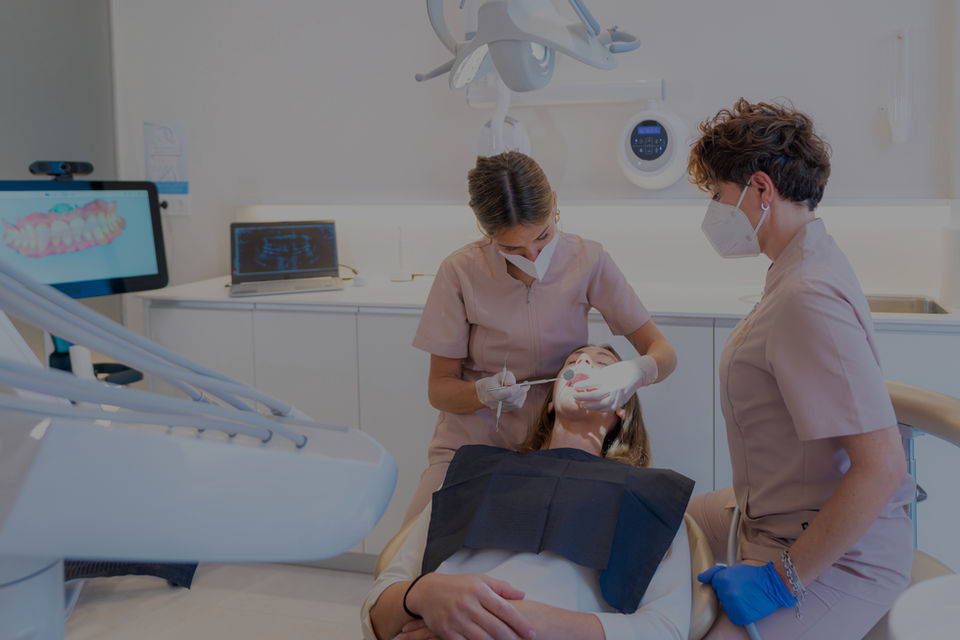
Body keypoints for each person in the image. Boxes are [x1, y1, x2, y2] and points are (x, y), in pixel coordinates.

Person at [685, 99, 915, 639]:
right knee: (646, 519)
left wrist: (779, 582)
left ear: (760, 189)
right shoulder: (795, 266)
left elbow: (882, 467)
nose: (715, 211)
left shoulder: (806, 293)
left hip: (838, 553)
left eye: (718, 195)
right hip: (767, 509)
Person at [406, 151, 677, 523]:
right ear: (486, 232)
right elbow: (439, 389)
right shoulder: (460, 272)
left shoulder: (588, 260)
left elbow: (662, 352)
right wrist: (482, 393)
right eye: (512, 248)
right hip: (470, 445)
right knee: (416, 546)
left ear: (554, 204)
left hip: (552, 448)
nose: (532, 255)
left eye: (543, 237)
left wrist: (637, 371)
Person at [362, 345, 693, 640]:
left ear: (623, 405)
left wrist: (531, 623)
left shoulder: (649, 497)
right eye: (572, 362)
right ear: (550, 404)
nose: (583, 363)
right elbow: (376, 610)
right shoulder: (473, 473)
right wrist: (424, 594)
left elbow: (666, 628)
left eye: (602, 364)